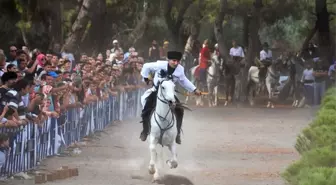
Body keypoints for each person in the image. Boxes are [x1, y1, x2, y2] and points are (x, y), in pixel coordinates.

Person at [140, 51, 202, 144]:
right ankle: (145, 131)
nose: (176, 63)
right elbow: (146, 66)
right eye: (173, 61)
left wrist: (194, 89)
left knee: (180, 110)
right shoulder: (160, 64)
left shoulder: (180, 69)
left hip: (170, 94)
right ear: (168, 60)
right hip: (157, 91)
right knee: (146, 110)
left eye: (178, 61)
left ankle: (177, 134)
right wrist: (146, 78)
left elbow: (184, 81)